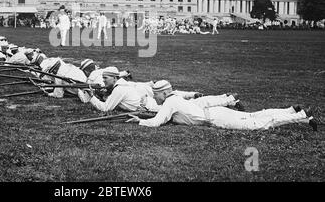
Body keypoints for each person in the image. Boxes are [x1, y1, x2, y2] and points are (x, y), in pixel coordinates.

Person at [126, 80, 318, 131]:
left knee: (256, 124)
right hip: (214, 112)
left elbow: (158, 121)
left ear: (164, 93)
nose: (156, 98)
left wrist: (139, 122)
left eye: (156, 95)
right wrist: (144, 115)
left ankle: (300, 116)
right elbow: (163, 115)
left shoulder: (170, 101)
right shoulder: (174, 98)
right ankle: (291, 110)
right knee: (253, 116)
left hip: (216, 117)